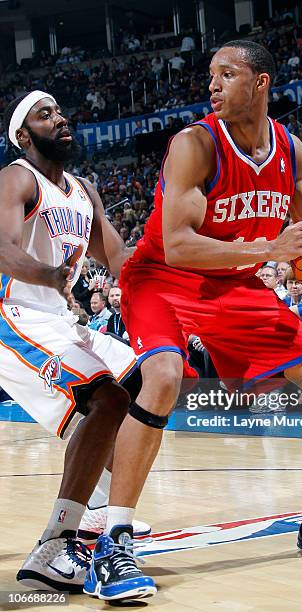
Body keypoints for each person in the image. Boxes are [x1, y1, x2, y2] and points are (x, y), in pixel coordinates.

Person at [84, 41, 302, 604]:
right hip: (161, 278)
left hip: (232, 282)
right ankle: (113, 539)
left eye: (228, 74)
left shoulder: (291, 153)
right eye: (211, 75)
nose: (214, 85)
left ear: (261, 82)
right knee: (166, 376)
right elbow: (175, 245)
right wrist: (274, 248)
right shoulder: (194, 146)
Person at [0, 91, 149, 593]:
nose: (59, 119)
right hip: (14, 314)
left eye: (60, 112)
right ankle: (55, 543)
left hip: (59, 317)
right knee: (104, 397)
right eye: (45, 115)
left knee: (144, 383)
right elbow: (0, 248)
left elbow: (118, 257)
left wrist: (170, 291)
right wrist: (47, 273)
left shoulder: (84, 191)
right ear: (23, 136)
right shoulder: (17, 177)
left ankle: (97, 507)